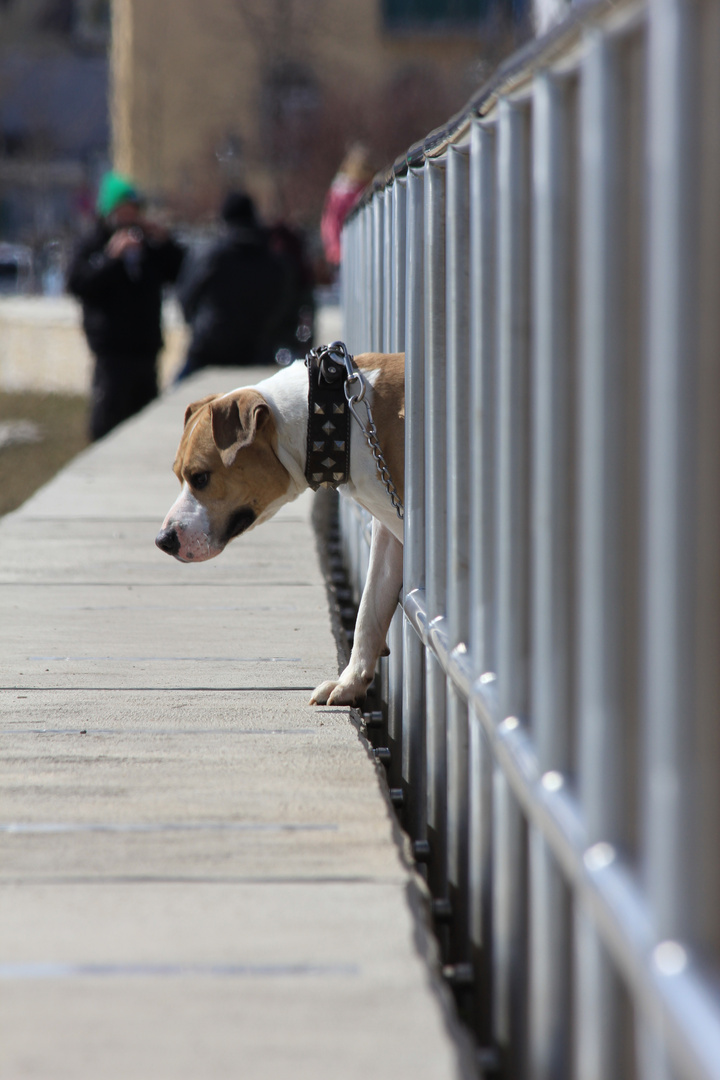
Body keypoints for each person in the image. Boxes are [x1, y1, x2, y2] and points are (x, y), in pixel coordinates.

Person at [67, 171, 185, 441]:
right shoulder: (94, 244)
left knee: (145, 425)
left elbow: (178, 270)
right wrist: (111, 258)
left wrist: (165, 241)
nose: (129, 218)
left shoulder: (148, 245)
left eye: (134, 211)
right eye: (123, 211)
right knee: (108, 422)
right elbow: (78, 283)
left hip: (146, 349)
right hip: (112, 353)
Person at [174, 192, 288, 380]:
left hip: (208, 347)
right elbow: (283, 302)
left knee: (176, 394)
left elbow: (186, 295)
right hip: (256, 349)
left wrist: (196, 324)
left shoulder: (211, 254)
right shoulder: (273, 259)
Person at [320, 143, 374, 273]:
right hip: (346, 252)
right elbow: (332, 223)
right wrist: (338, 251)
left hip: (345, 251)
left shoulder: (341, 192)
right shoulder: (346, 193)